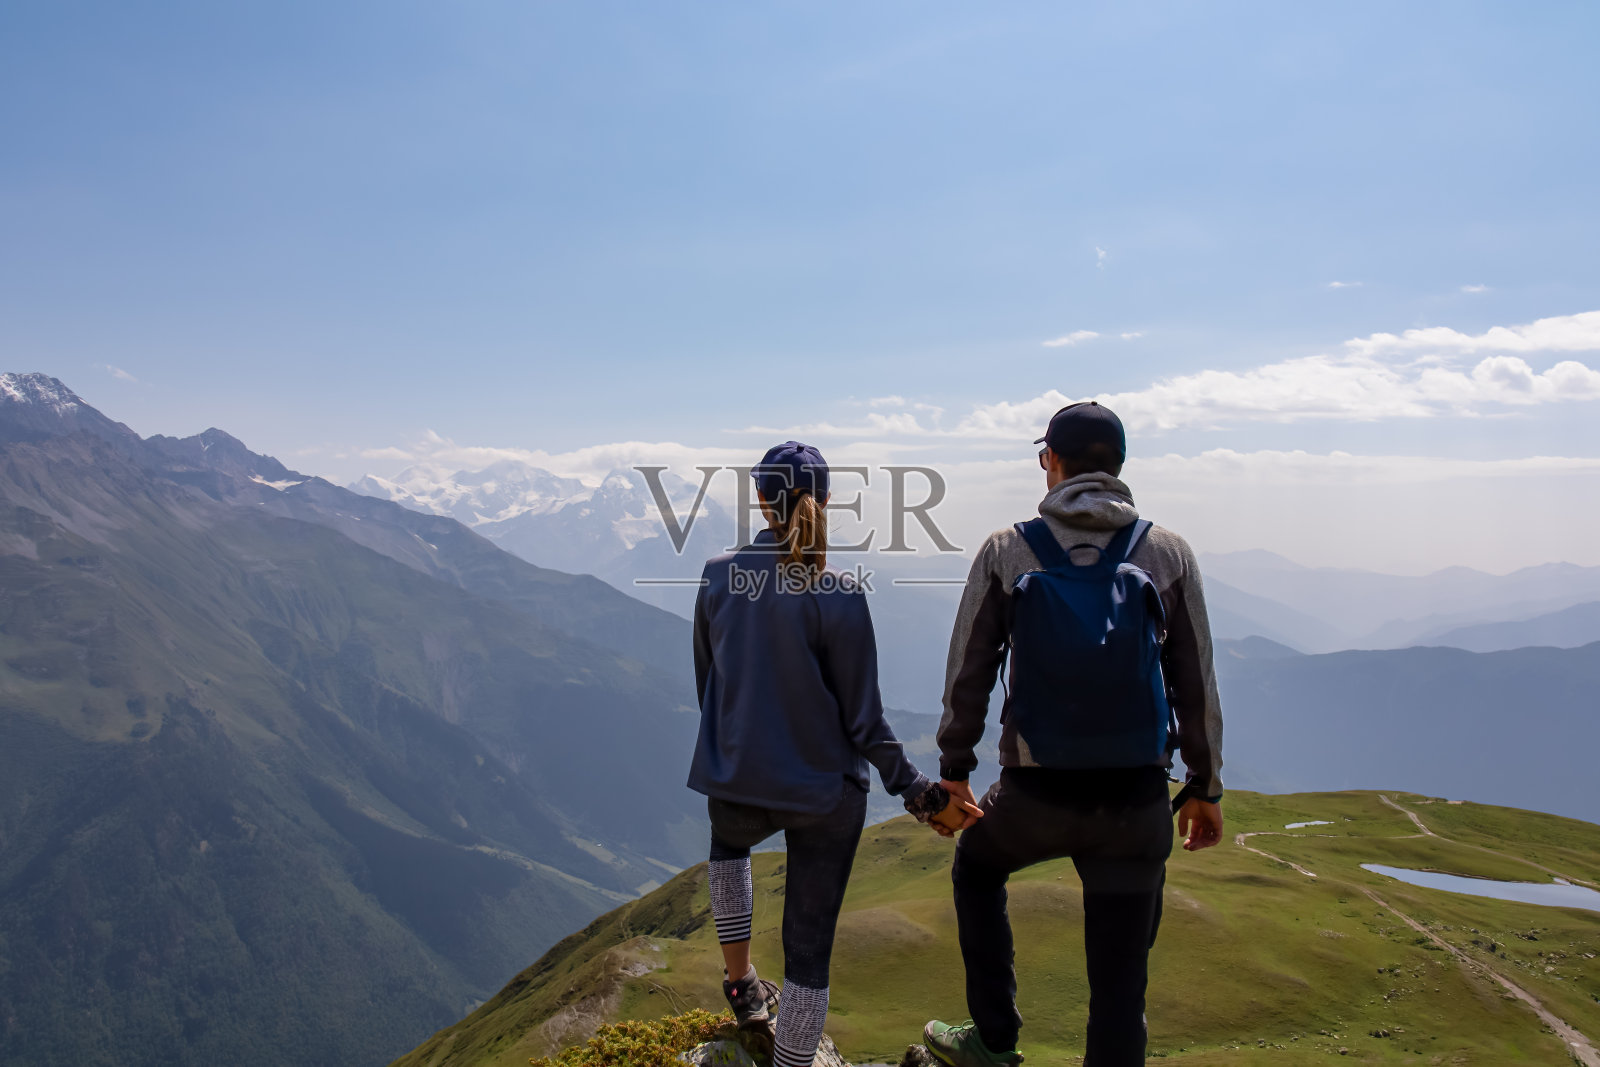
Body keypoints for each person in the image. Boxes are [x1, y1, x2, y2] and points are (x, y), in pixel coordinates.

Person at [922, 402, 1225, 1067]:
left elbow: (968, 672)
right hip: (1136, 801)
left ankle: (994, 1040)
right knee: (1120, 988)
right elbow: (1195, 678)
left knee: (977, 867)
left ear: (1049, 462)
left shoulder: (1009, 548)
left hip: (1034, 797)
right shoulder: (1166, 551)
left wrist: (954, 771)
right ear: (1118, 466)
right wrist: (1203, 785)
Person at [689, 441, 965, 1067]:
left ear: (760, 498)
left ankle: (740, 983)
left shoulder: (716, 575)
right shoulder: (841, 591)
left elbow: (709, 686)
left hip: (735, 778)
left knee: (729, 847)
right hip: (825, 795)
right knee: (809, 950)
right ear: (827, 502)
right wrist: (917, 791)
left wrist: (734, 750)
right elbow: (863, 719)